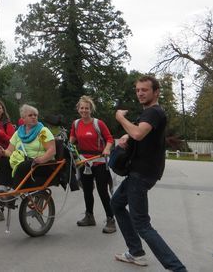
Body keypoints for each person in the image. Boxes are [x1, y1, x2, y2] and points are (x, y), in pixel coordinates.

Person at [111, 75, 187, 271]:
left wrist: (120, 118)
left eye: (144, 90)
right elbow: (139, 133)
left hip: (141, 174)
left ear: (156, 92)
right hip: (140, 172)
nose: (140, 93)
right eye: (137, 90)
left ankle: (177, 268)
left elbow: (138, 133)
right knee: (117, 203)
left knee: (142, 224)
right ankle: (135, 252)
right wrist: (127, 136)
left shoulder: (153, 112)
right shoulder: (151, 113)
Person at [69, 95, 115, 233]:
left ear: (91, 109)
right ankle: (89, 217)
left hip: (99, 161)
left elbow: (109, 139)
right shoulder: (76, 124)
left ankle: (111, 219)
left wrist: (107, 149)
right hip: (84, 161)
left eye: (86, 108)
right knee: (87, 191)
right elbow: (73, 137)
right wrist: (68, 145)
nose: (84, 110)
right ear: (78, 109)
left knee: (102, 191)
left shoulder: (98, 123)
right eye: (82, 108)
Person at [0, 104, 56, 190]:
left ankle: (13, 194)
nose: (34, 117)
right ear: (23, 118)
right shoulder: (18, 133)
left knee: (22, 165)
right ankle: (1, 190)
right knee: (3, 160)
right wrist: (3, 152)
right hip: (23, 162)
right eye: (30, 115)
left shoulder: (43, 131)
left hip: (41, 165)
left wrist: (41, 159)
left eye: (35, 115)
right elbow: (9, 151)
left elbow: (52, 150)